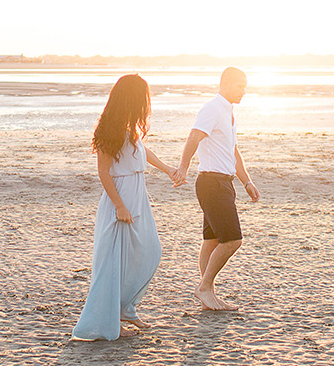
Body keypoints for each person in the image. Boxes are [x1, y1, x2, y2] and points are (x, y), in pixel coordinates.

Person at [71, 74, 182, 341]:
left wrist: (168, 169)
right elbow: (104, 172)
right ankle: (111, 318)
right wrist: (119, 206)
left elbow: (143, 152)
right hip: (119, 200)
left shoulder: (130, 128)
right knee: (113, 262)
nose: (147, 104)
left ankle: (125, 307)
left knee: (148, 250)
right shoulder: (109, 128)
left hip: (137, 196)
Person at [172, 67, 258, 311]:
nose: (244, 91)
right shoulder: (212, 108)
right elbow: (194, 137)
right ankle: (204, 288)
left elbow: (233, 151)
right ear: (226, 84)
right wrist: (183, 167)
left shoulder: (229, 112)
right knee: (233, 240)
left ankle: (207, 291)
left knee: (211, 240)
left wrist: (247, 181)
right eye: (240, 86)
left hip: (224, 182)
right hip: (212, 183)